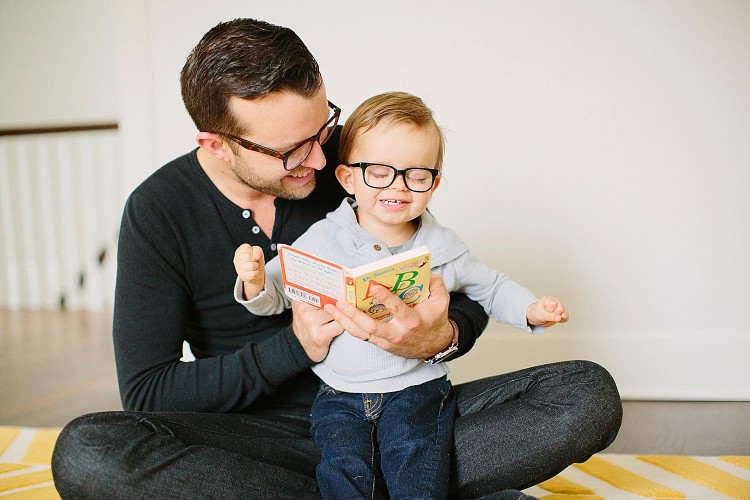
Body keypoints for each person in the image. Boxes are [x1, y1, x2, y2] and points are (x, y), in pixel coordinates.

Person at [50, 18, 623, 500]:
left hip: (402, 410)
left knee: (586, 395)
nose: (320, 162)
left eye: (321, 129)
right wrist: (296, 346)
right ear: (215, 143)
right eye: (290, 151)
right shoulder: (159, 211)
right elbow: (150, 394)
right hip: (260, 447)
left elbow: (461, 282)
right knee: (87, 452)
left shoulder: (359, 162)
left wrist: (440, 337)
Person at [233, 91, 571, 499]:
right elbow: (277, 293)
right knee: (343, 474)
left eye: (417, 174)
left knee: (417, 473)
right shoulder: (322, 238)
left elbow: (491, 286)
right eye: (378, 172)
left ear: (434, 183)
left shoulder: (442, 247)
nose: (398, 186)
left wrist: (532, 309)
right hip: (339, 393)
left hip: (417, 389)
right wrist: (254, 280)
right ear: (348, 178)